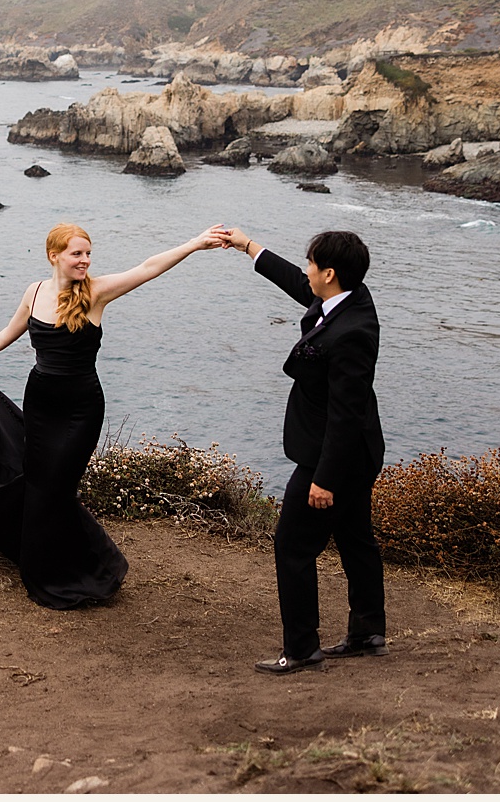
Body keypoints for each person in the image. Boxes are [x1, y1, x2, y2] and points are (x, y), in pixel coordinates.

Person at [0, 221, 226, 609]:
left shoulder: (96, 293)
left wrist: (194, 244)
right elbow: (14, 328)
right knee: (37, 483)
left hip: (80, 409)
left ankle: (91, 568)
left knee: (56, 486)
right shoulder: (35, 292)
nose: (85, 260)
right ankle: (44, 567)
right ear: (54, 256)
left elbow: (149, 267)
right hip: (40, 402)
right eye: (77, 254)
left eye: (88, 253)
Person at [215, 226, 385, 675]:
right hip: (356, 450)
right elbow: (299, 285)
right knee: (354, 538)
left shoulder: (351, 333)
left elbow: (345, 415)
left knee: (292, 546)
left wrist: (324, 479)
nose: (306, 269)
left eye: (311, 263)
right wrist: (249, 246)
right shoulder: (348, 297)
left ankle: (302, 648)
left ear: (329, 272)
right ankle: (368, 632)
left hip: (335, 455)